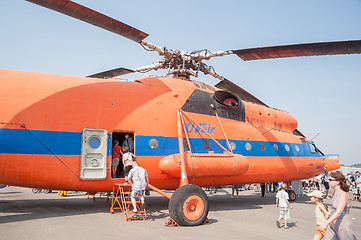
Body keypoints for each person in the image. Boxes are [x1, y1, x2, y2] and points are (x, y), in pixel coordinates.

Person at [318, 171, 357, 239]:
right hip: (333, 224)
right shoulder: (335, 193)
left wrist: (325, 223)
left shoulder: (343, 194)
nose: (328, 181)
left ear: (338, 182)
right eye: (328, 179)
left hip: (342, 225)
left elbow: (338, 212)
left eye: (330, 180)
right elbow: (333, 206)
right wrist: (329, 212)